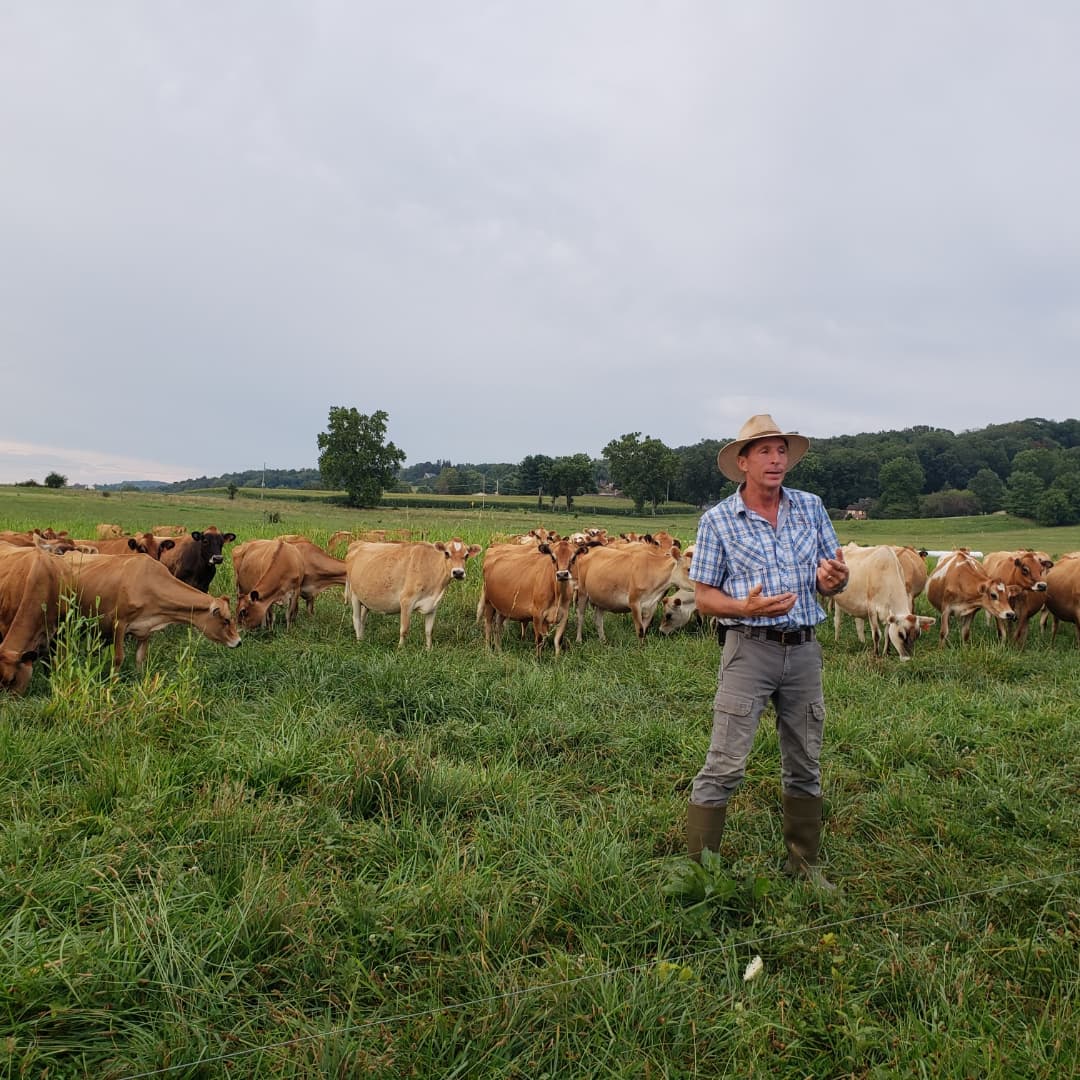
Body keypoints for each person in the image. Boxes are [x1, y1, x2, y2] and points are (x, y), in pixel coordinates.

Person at [686, 413, 849, 889]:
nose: (776, 460)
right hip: (748, 649)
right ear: (743, 462)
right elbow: (704, 598)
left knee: (805, 759)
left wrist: (835, 581)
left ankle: (805, 865)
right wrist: (746, 607)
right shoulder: (718, 520)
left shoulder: (810, 507)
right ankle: (700, 875)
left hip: (802, 651)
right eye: (765, 451)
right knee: (726, 762)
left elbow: (833, 575)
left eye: (782, 451)